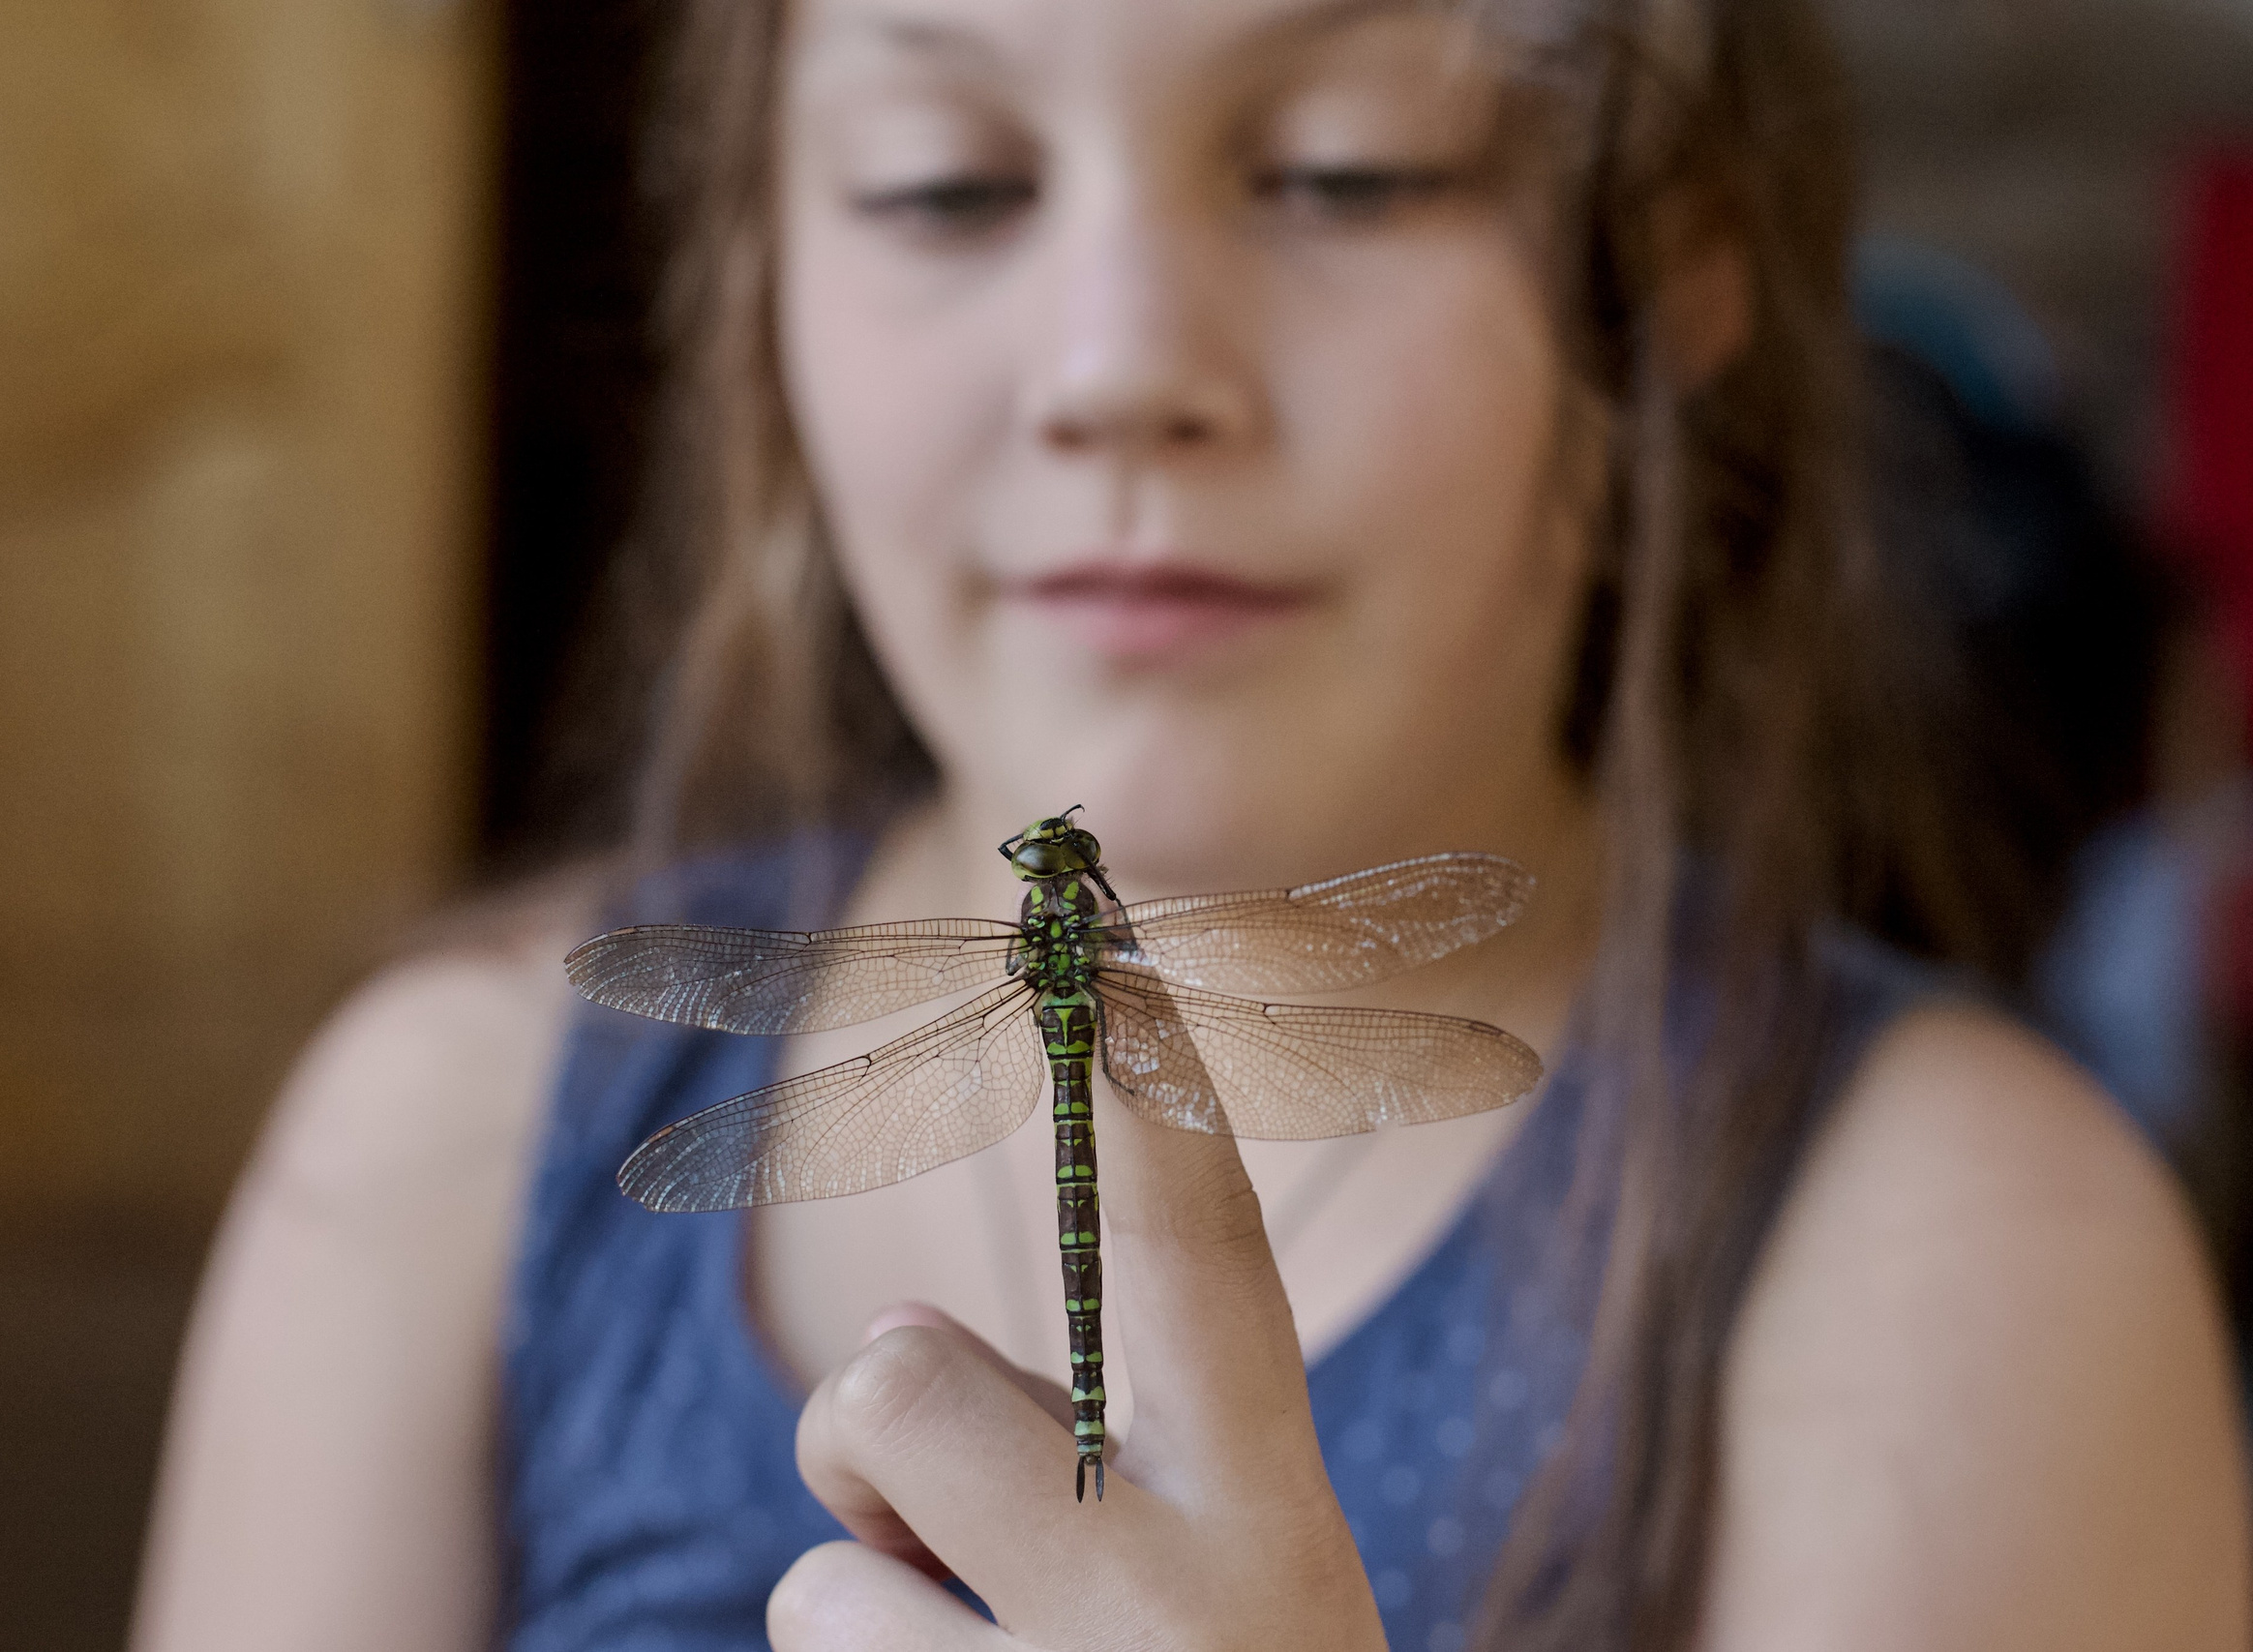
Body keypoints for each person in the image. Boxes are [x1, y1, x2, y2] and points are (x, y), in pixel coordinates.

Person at [131, 0, 2251, 1648]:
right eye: (948, 186)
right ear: (753, 260)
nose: (1118, 363)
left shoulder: (1956, 1257)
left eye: (1345, 174)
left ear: (1668, 259)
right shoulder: (451, 1135)